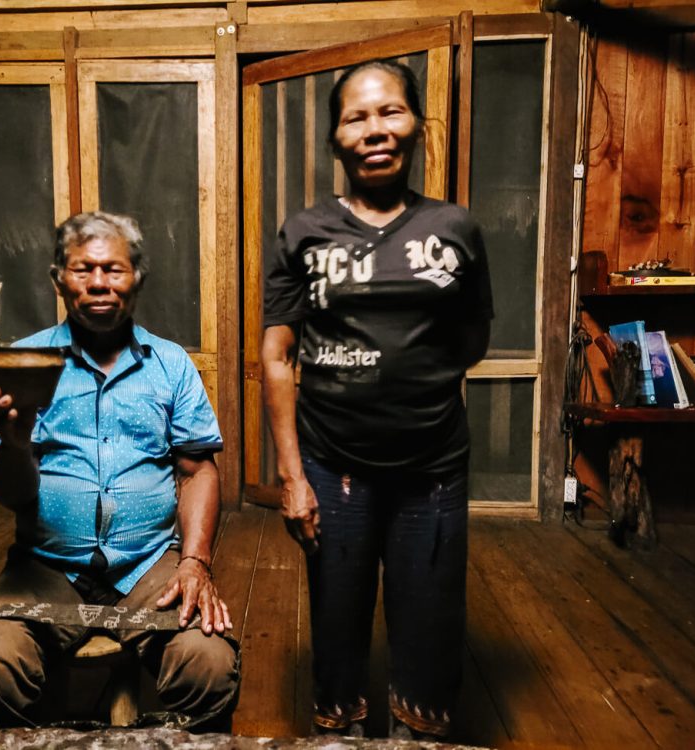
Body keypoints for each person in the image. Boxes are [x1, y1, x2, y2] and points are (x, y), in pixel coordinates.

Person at [260, 60, 493, 740]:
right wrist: (294, 478)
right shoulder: (303, 233)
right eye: (356, 118)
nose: (375, 130)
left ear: (417, 124)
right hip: (335, 470)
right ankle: (340, 732)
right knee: (337, 635)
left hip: (434, 471)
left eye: (390, 111)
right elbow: (277, 357)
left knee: (430, 630)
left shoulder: (456, 230)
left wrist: (409, 377)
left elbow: (472, 339)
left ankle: (420, 733)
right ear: (336, 138)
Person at [0, 211, 239, 732]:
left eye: (114, 269)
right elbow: (13, 496)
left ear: (138, 279)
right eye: (84, 270)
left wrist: (194, 561)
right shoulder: (25, 364)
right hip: (46, 567)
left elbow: (198, 469)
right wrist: (14, 445)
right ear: (58, 279)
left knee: (209, 661)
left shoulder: (170, 364)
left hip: (148, 565)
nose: (100, 283)